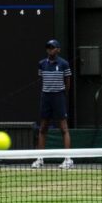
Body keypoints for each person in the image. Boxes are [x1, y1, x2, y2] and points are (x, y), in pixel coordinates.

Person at [31, 39, 73, 170]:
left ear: (58, 50)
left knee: (63, 128)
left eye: (53, 47)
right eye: (48, 47)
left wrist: (61, 94)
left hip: (58, 96)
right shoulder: (41, 64)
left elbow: (68, 83)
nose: (50, 49)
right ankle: (40, 158)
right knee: (43, 128)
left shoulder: (64, 64)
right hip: (46, 97)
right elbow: (42, 80)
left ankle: (68, 159)